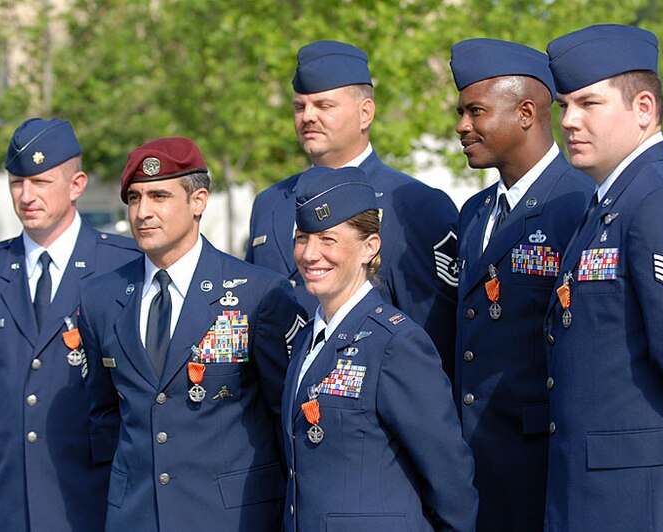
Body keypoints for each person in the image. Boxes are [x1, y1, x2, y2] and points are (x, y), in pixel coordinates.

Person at [79, 137, 306, 532]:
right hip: (136, 516)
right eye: (134, 198)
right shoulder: (102, 298)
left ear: (198, 201)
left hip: (231, 516)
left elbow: (283, 415)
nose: (143, 212)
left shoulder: (259, 294)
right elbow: (104, 413)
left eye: (159, 196)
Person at [543, 24, 663, 531]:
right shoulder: (607, 204)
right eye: (564, 106)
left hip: (647, 498)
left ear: (643, 108)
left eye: (589, 104)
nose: (570, 121)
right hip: (598, 494)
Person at [0, 118, 140, 531]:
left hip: (93, 495)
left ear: (76, 185)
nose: (27, 195)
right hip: (9, 500)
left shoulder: (125, 266)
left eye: (41, 181)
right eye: (17, 182)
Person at [246, 40, 460, 378]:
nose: (308, 117)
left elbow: (434, 338)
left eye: (323, 105)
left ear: (366, 113)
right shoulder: (270, 203)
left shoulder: (414, 204)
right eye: (299, 107)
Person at [282, 165, 478, 532]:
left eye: (328, 239)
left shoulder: (396, 343)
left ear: (369, 247)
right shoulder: (309, 340)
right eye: (302, 238)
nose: (310, 254)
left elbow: (449, 474)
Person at [448, 39, 592, 531]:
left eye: (476, 111)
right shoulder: (475, 212)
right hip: (478, 460)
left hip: (541, 461)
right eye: (461, 112)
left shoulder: (578, 204)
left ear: (527, 111)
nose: (462, 126)